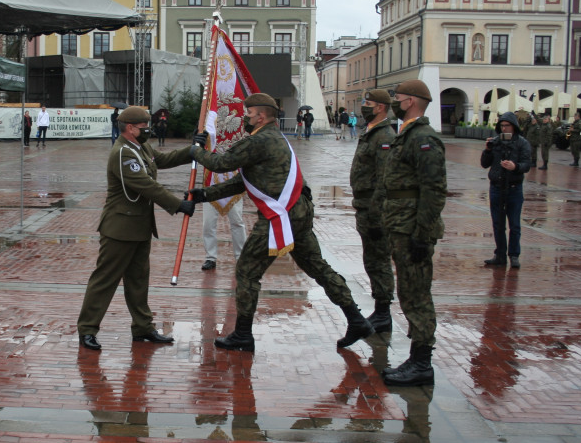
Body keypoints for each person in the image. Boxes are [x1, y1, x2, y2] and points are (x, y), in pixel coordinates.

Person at [188, 93, 373, 353]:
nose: (245, 117)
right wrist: (204, 195)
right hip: (298, 212)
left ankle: (242, 334)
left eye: (249, 113)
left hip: (280, 215)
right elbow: (246, 181)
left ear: (261, 116)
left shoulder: (260, 140)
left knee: (247, 272)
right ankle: (356, 319)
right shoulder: (275, 137)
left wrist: (195, 151)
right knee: (318, 268)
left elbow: (221, 164)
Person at [75, 106, 196, 351]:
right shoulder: (123, 153)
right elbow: (146, 185)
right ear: (130, 128)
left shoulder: (140, 147)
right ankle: (87, 329)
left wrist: (192, 150)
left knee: (139, 280)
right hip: (120, 228)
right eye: (144, 128)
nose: (148, 131)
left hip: (139, 227)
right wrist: (178, 204)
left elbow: (162, 160)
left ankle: (143, 328)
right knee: (105, 280)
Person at [380, 80, 447, 386]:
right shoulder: (407, 133)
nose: (396, 102)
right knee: (408, 292)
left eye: (399, 98)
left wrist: (423, 232)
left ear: (411, 101)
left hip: (412, 229)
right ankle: (416, 359)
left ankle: (422, 363)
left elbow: (433, 190)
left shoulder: (423, 138)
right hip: (401, 225)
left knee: (417, 294)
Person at [350, 89, 396, 332]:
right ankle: (380, 309)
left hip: (375, 211)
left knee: (379, 261)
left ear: (380, 107)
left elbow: (385, 180)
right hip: (365, 208)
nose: (364, 106)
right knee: (372, 259)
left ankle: (383, 312)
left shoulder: (384, 136)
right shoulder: (371, 133)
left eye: (368, 103)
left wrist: (378, 216)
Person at [481, 113, 532, 269]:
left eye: (507, 126)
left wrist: (515, 167)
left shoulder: (522, 143)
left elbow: (527, 164)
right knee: (498, 224)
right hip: (496, 187)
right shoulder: (496, 142)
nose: (504, 128)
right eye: (502, 126)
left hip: (514, 188)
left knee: (514, 224)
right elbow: (484, 164)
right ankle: (500, 254)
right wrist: (487, 151)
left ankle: (514, 255)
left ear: (514, 126)